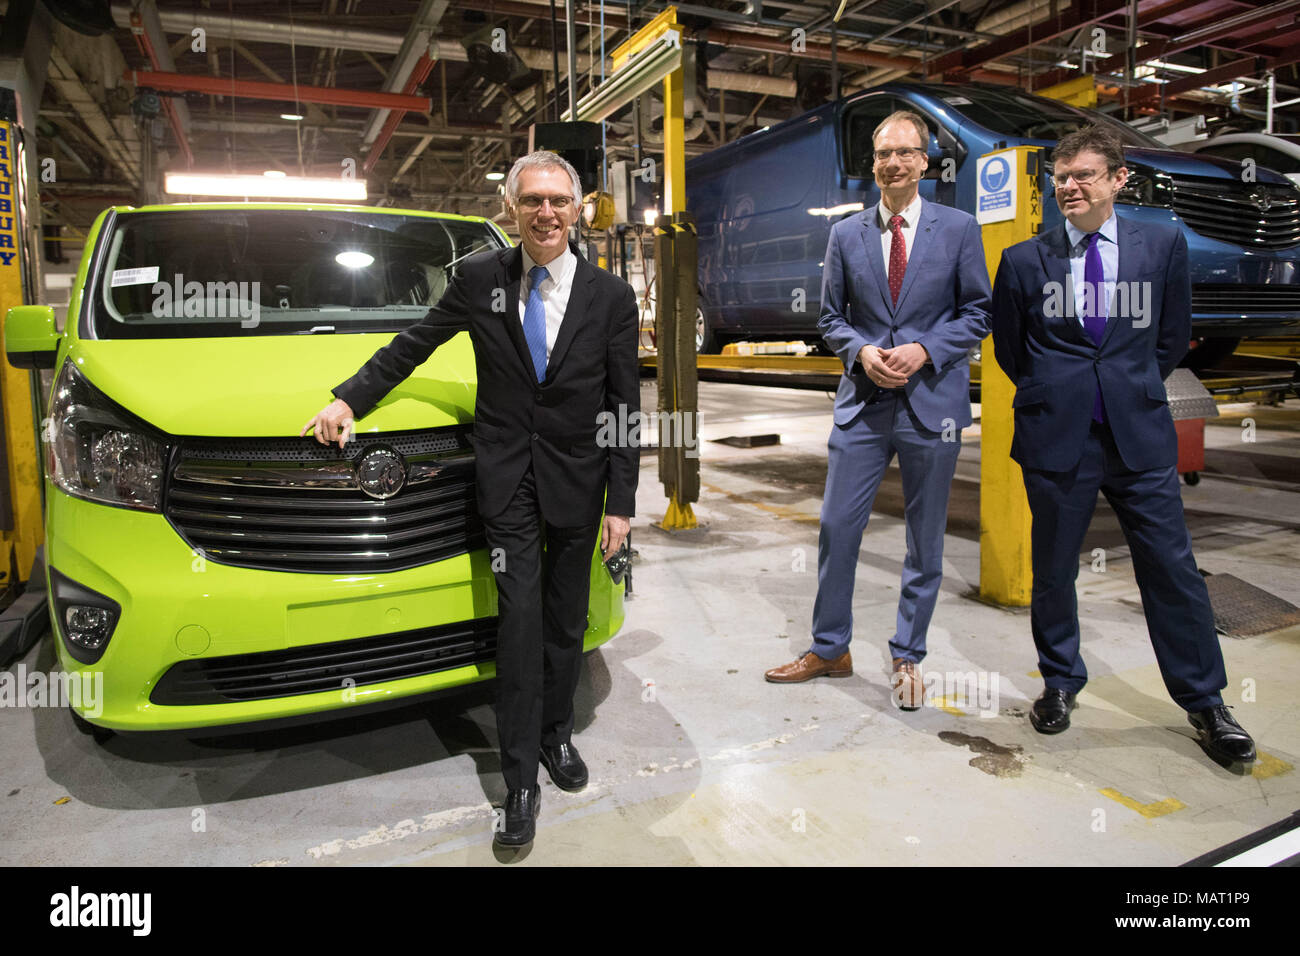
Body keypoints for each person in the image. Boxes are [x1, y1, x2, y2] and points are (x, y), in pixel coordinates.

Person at [303, 150, 641, 844]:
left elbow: (624, 405)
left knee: (565, 622)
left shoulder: (611, 297)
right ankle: (519, 781)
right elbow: (414, 344)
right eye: (532, 201)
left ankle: (556, 736)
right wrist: (348, 398)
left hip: (580, 482)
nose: (545, 212)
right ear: (511, 210)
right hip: (509, 479)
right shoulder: (480, 278)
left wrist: (622, 502)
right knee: (518, 625)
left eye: (558, 200)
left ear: (577, 210)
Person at [990, 125, 1255, 765]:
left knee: (1171, 568)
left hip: (1138, 434)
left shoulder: (1160, 245)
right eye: (1061, 177)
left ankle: (1205, 701)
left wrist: (1127, 384)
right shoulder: (1026, 260)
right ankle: (1060, 681)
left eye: (1084, 174)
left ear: (1117, 180)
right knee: (1053, 569)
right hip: (1059, 438)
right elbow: (1010, 350)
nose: (1070, 186)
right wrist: (1062, 390)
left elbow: (1172, 337)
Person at [765, 111, 991, 707]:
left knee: (925, 538)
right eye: (883, 154)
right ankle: (830, 646)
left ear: (924, 162)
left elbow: (978, 312)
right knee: (839, 528)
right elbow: (829, 318)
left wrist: (925, 349)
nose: (893, 163)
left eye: (905, 153)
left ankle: (908, 655)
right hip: (862, 407)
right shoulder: (846, 235)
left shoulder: (960, 229)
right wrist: (861, 351)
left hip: (931, 405)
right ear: (874, 165)